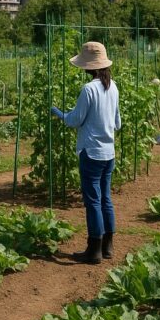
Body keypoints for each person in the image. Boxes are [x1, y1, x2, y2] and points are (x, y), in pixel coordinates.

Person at [50, 41, 121, 264]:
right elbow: (117, 123)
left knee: (93, 202)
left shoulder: (89, 89)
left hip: (91, 152)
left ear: (88, 66)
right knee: (105, 198)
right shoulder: (113, 87)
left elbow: (75, 120)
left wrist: (60, 114)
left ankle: (94, 250)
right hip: (109, 153)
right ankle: (108, 246)